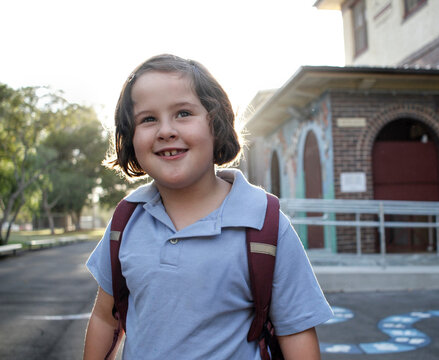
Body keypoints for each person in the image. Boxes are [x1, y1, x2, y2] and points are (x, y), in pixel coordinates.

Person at [83, 54, 333, 359]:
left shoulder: (265, 224)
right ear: (130, 137)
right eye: (148, 119)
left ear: (217, 124)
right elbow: (105, 318)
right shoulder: (126, 220)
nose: (165, 131)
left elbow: (296, 331)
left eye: (183, 113)